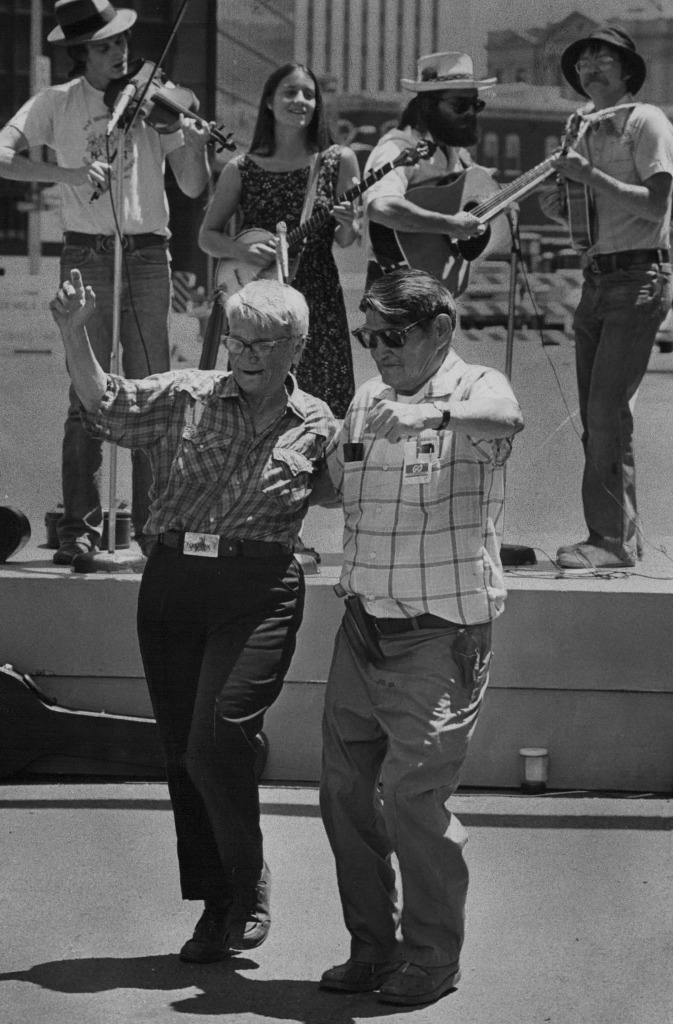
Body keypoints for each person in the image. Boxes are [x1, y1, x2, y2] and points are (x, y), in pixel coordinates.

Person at [49, 268, 339, 961]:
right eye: (235, 339)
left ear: (295, 348)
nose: (241, 354)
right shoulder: (187, 394)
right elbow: (107, 402)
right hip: (175, 582)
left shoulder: (318, 421)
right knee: (188, 752)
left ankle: (246, 884)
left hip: (259, 587)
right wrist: (73, 331)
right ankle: (220, 902)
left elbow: (336, 496)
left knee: (217, 735)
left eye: (260, 343)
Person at [318, 269, 524, 1006]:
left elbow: (506, 421)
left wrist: (433, 420)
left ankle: (432, 956)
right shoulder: (367, 397)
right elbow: (337, 483)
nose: (379, 350)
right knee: (343, 793)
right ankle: (373, 949)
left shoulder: (475, 387)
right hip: (364, 625)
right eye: (369, 336)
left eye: (393, 335)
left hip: (440, 635)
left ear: (440, 328)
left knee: (411, 798)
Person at [0, 0, 212, 564]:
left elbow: (191, 187)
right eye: (104, 46)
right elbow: (3, 155)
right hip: (86, 250)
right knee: (83, 395)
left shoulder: (154, 99)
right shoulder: (58, 103)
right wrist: (65, 173)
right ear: (80, 52)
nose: (119, 53)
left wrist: (191, 141)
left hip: (146, 254)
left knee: (152, 391)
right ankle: (79, 529)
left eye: (121, 42)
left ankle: (154, 526)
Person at [539, 26, 673, 569]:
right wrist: (562, 195)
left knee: (604, 410)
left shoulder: (647, 120)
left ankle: (609, 541)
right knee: (603, 417)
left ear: (627, 71)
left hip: (639, 277)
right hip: (597, 280)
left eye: (603, 58)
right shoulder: (577, 127)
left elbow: (656, 206)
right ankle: (623, 536)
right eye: (583, 60)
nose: (591, 67)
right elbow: (579, 208)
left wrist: (588, 175)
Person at [198, 62, 360, 418]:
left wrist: (349, 223)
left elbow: (346, 239)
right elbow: (207, 237)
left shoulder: (339, 160)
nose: (300, 100)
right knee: (255, 406)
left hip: (319, 298)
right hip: (258, 304)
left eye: (309, 94)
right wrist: (241, 250)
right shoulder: (242, 168)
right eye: (290, 92)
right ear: (269, 102)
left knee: (323, 406)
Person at [361, 51, 492, 289]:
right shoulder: (397, 148)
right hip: (395, 290)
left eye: (476, 104)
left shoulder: (457, 155)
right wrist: (452, 225)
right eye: (460, 105)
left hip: (438, 287)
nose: (471, 113)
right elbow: (382, 207)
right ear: (427, 105)